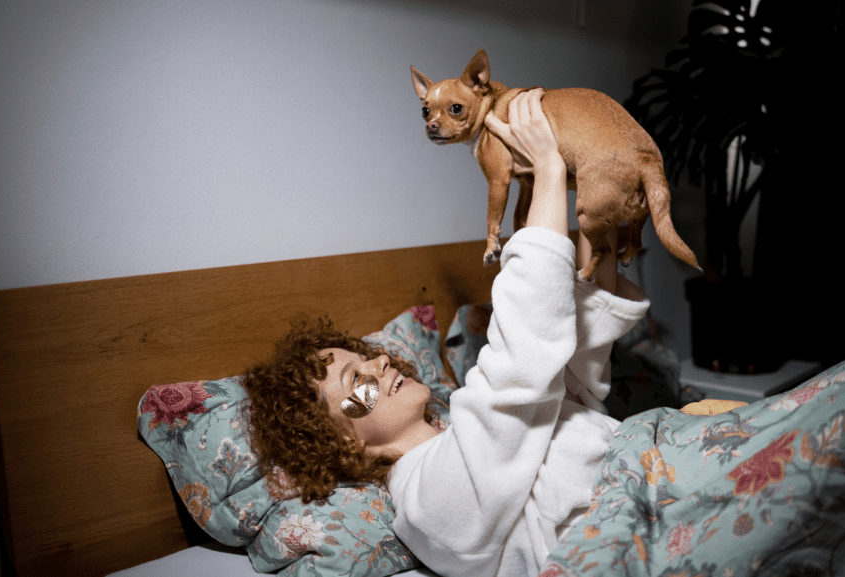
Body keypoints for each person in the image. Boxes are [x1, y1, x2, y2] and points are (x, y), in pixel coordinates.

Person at [242, 88, 651, 576]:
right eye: (357, 381)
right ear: (345, 443)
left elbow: (567, 367)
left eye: (366, 357)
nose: (380, 363)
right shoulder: (424, 502)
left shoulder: (460, 427)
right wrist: (546, 169)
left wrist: (594, 209)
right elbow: (520, 368)